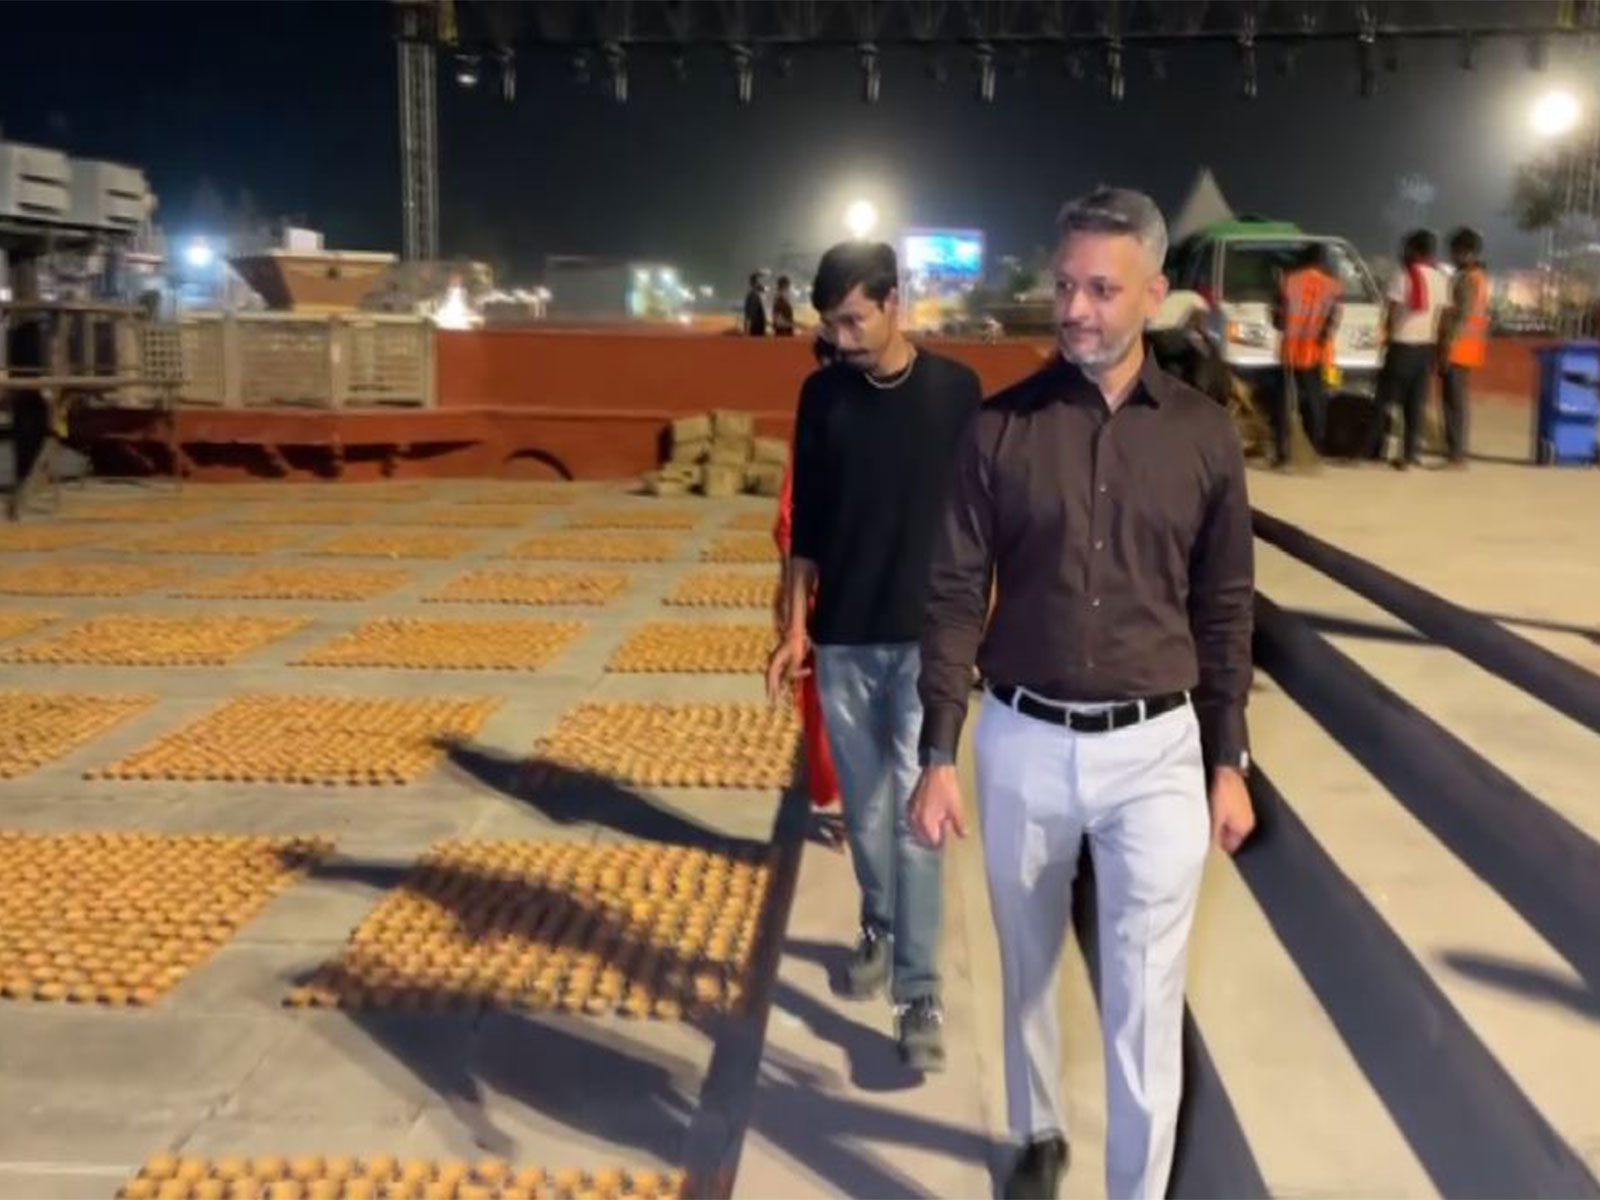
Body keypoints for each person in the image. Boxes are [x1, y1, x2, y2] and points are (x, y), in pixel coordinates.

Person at [908, 187, 1256, 1200]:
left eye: (1102, 289)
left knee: (1144, 1001)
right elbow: (953, 590)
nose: (1077, 310)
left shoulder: (1201, 437)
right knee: (1025, 967)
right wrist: (939, 750)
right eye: (1064, 286)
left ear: (1154, 292)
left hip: (1157, 752)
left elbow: (1225, 606)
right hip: (1021, 738)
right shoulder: (998, 431)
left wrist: (1226, 760)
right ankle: (1036, 1134)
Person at [766, 240, 983, 1071]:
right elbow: (807, 532)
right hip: (845, 643)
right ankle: (880, 924)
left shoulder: (956, 393)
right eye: (831, 323)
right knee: (863, 815)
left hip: (927, 645)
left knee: (916, 820)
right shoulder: (821, 396)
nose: (842, 338)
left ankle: (918, 991)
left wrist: (979, 630)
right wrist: (794, 630)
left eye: (855, 319)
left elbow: (979, 526)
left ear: (898, 303)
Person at [772, 457, 840, 811]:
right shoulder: (814, 448)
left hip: (878, 602)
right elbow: (791, 529)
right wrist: (793, 618)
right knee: (827, 709)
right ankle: (855, 800)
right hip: (823, 602)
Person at [1380, 229, 1450, 468]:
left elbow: (1391, 311)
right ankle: (1411, 454)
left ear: (1412, 249)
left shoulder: (1402, 275)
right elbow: (1442, 317)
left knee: (1387, 400)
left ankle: (1378, 449)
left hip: (1402, 346)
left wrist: (1386, 336)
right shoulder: (1440, 278)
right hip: (1426, 348)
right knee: (1415, 404)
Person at [1273, 242, 1343, 462]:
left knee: (1284, 402)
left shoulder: (1289, 281)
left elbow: (1278, 319)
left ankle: (1283, 452)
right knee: (1316, 402)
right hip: (1317, 353)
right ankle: (1314, 449)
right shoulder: (1334, 286)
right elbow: (1333, 321)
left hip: (1291, 351)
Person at [1437, 227, 1488, 466]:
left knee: (1453, 403)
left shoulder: (1468, 278)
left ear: (1465, 252)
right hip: (1470, 348)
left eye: (1454, 251)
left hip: (1458, 348)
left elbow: (1463, 314)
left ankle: (1456, 454)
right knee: (1457, 402)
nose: (1452, 256)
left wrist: (1447, 345)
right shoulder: (1480, 276)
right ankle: (1456, 452)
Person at [743, 272, 769, 337]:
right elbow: (748, 312)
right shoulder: (753, 295)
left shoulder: (753, 295)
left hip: (757, 325)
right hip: (756, 325)